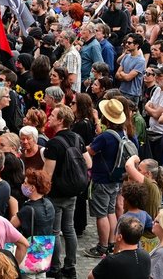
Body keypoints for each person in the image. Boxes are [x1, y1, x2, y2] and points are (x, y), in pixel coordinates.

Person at [43, 104, 91, 278]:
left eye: (53, 115)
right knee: (69, 229)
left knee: (54, 232)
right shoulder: (78, 138)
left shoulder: (54, 143)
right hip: (73, 192)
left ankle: (54, 268)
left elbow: (47, 175)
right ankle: (70, 266)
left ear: (61, 120)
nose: (49, 117)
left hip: (56, 193)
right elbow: (89, 163)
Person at [84, 98, 136, 259]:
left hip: (101, 179)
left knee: (101, 214)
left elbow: (90, 151)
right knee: (111, 211)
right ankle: (112, 242)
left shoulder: (105, 136)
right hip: (116, 178)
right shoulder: (123, 133)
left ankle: (102, 246)